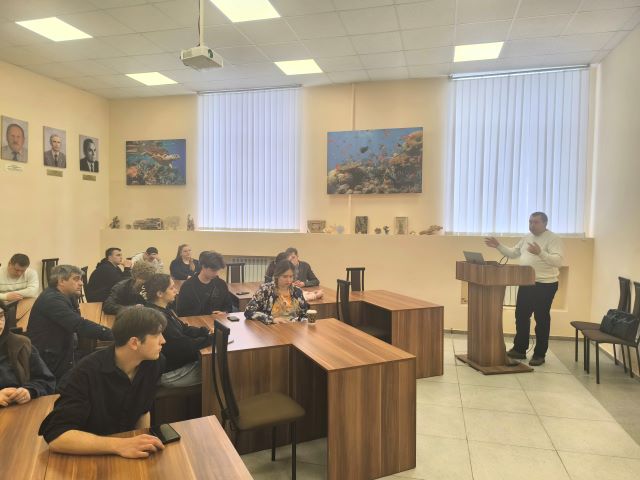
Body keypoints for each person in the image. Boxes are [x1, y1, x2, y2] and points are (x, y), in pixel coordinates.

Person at [38, 306, 167, 458]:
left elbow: (143, 410)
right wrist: (120, 445)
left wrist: (141, 441)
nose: (163, 340)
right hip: (87, 456)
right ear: (134, 343)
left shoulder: (155, 363)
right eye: (157, 335)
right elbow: (57, 437)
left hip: (127, 453)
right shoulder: (85, 373)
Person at [484, 212, 564, 366]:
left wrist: (540, 253)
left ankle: (539, 354)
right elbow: (514, 253)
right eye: (530, 222)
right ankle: (520, 349)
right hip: (526, 283)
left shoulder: (554, 239)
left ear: (545, 223)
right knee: (521, 315)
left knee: (541, 318)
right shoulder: (527, 237)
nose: (532, 225)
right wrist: (498, 246)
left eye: (535, 222)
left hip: (545, 284)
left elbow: (558, 261)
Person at [27, 265, 114, 383]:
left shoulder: (67, 295)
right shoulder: (52, 300)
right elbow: (79, 324)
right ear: (61, 281)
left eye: (81, 279)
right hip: (50, 359)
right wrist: (112, 334)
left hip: (62, 349)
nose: (81, 283)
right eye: (76, 279)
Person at [143, 274, 211, 387]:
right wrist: (210, 339)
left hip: (174, 363)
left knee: (213, 363)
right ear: (160, 293)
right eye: (171, 288)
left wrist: (204, 332)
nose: (176, 290)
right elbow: (183, 347)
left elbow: (184, 328)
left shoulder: (163, 309)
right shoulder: (157, 317)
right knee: (215, 370)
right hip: (168, 373)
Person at [0, 304, 55, 407]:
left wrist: (29, 391)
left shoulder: (21, 344)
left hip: (24, 410)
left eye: (1, 316)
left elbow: (46, 380)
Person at [245, 259, 309, 323]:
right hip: (272, 326)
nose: (288, 280)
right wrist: (272, 319)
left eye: (291, 276)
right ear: (277, 276)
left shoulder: (297, 291)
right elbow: (249, 311)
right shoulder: (266, 290)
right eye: (285, 277)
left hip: (293, 326)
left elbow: (304, 314)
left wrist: (303, 322)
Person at [176, 251, 232, 316]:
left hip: (217, 320)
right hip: (195, 321)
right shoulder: (188, 286)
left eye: (218, 270)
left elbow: (228, 306)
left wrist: (224, 312)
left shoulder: (221, 284)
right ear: (203, 266)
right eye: (213, 270)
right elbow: (181, 312)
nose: (216, 274)